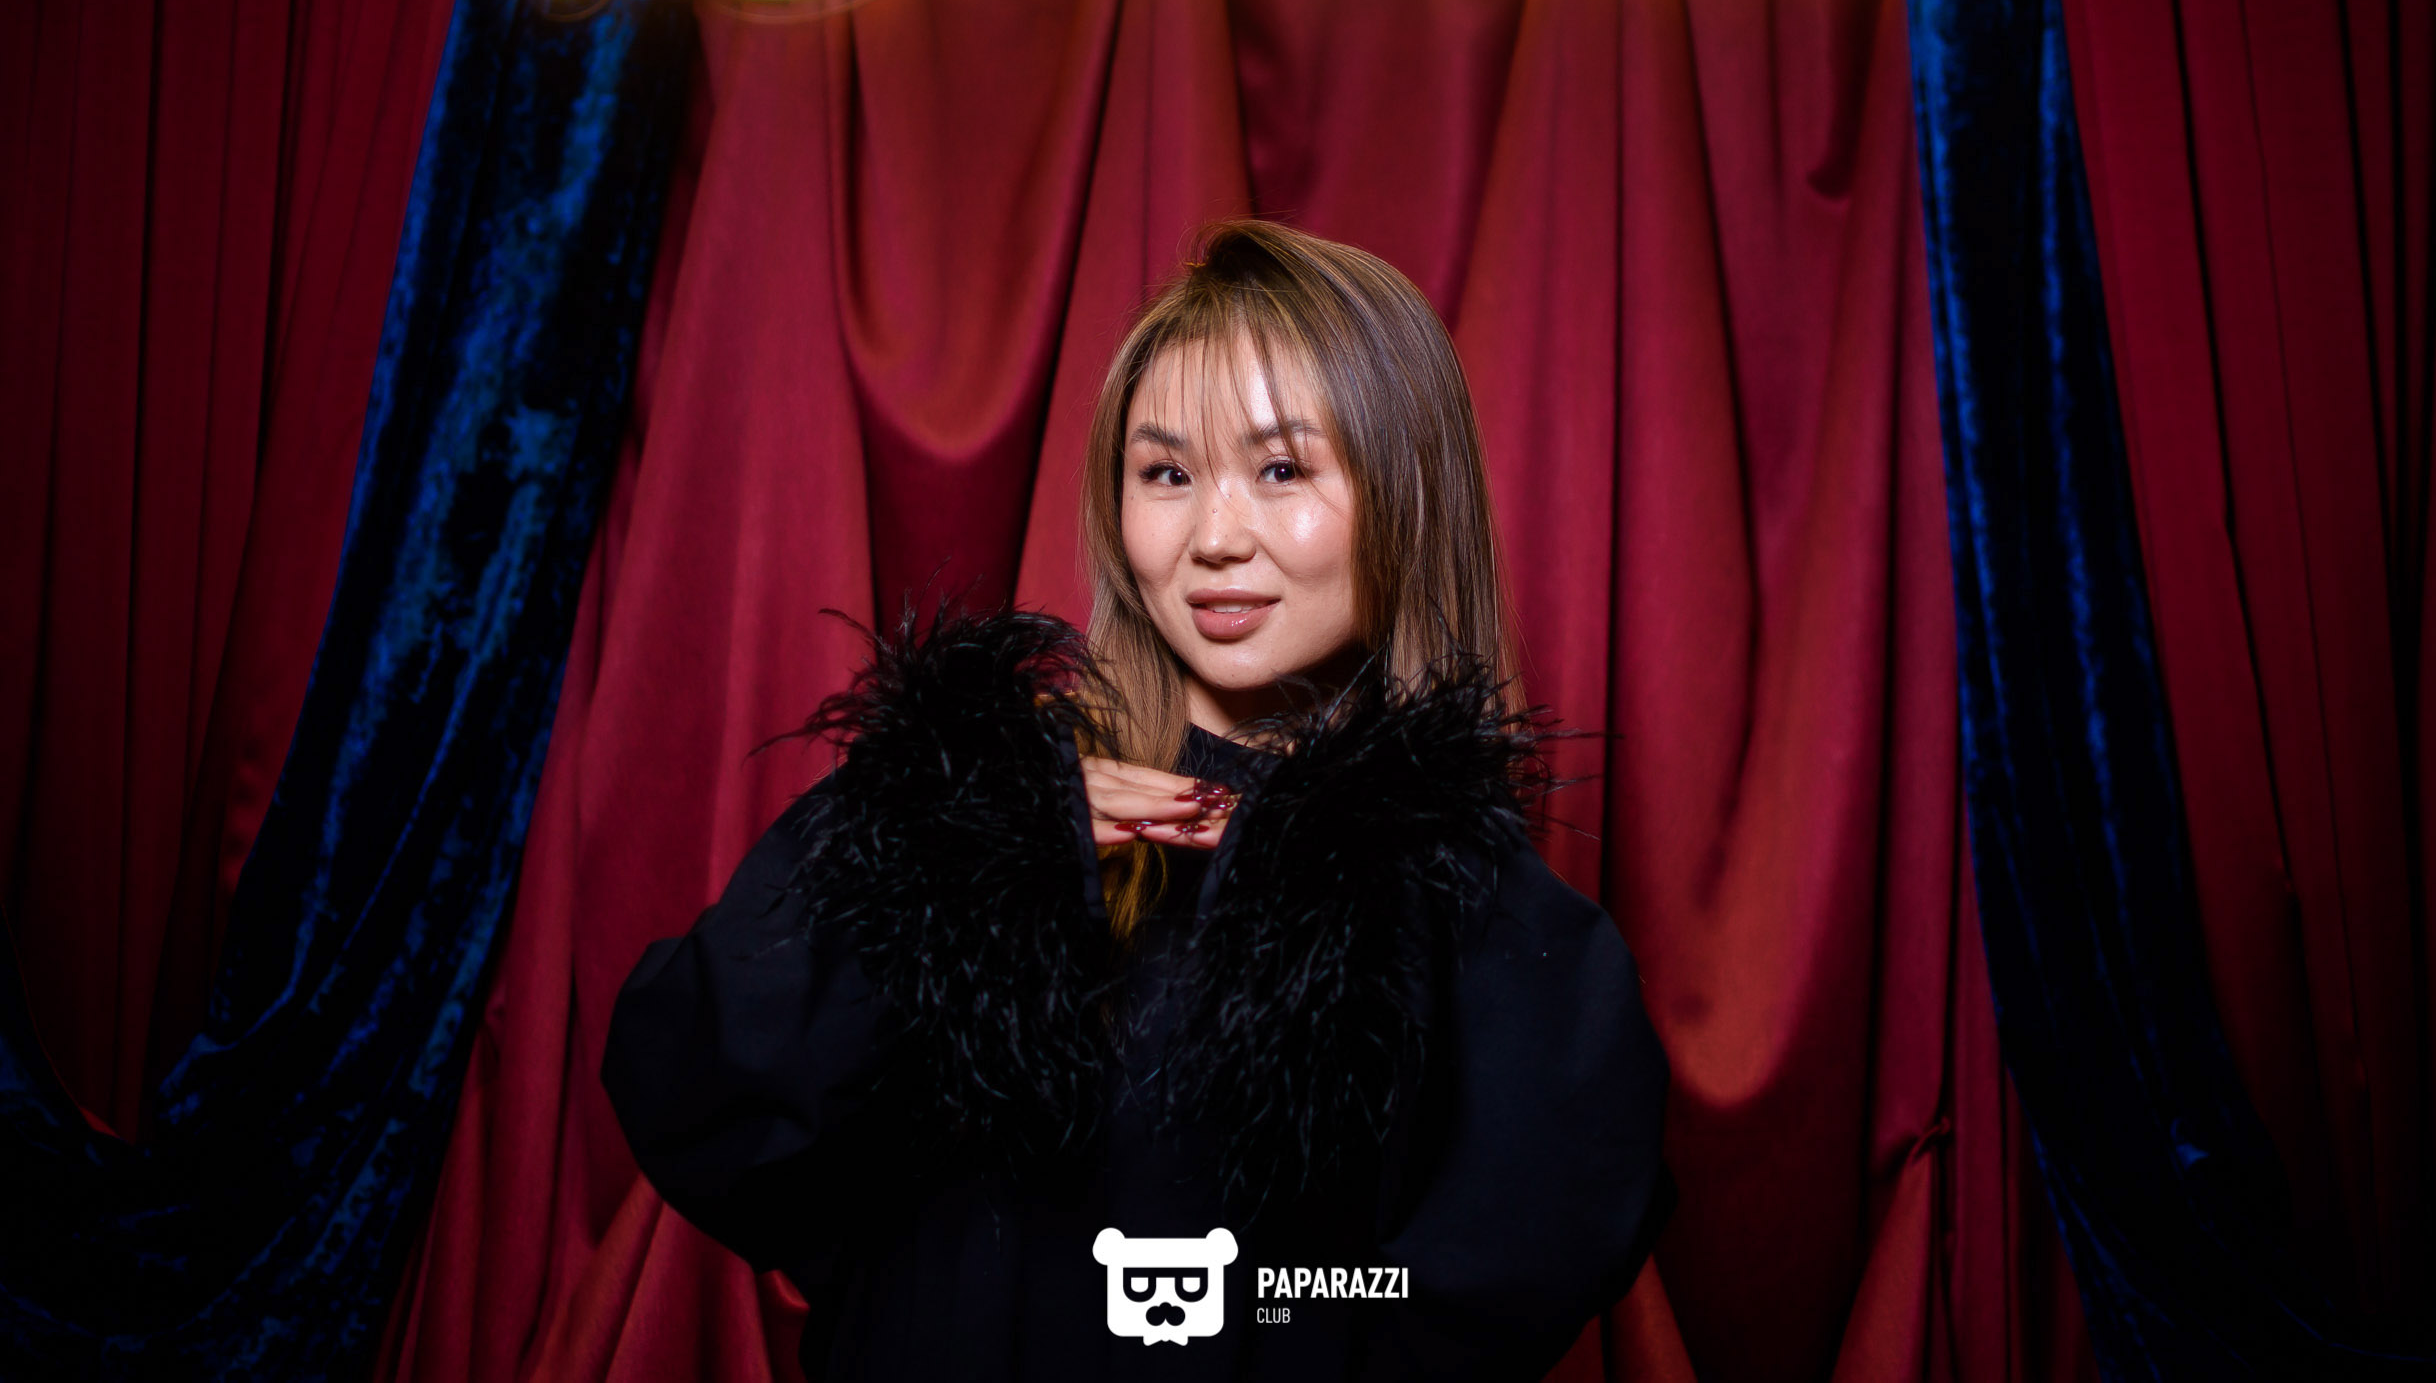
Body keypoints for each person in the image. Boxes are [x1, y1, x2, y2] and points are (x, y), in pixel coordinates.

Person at [601, 221, 1673, 1380]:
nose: (1213, 537)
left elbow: (1485, 1285)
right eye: (1166, 473)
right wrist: (948, 845)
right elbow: (703, 1098)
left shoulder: (1477, 909)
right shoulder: (961, 807)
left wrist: (1270, 1311)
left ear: (1406, 493)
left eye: (1281, 469)